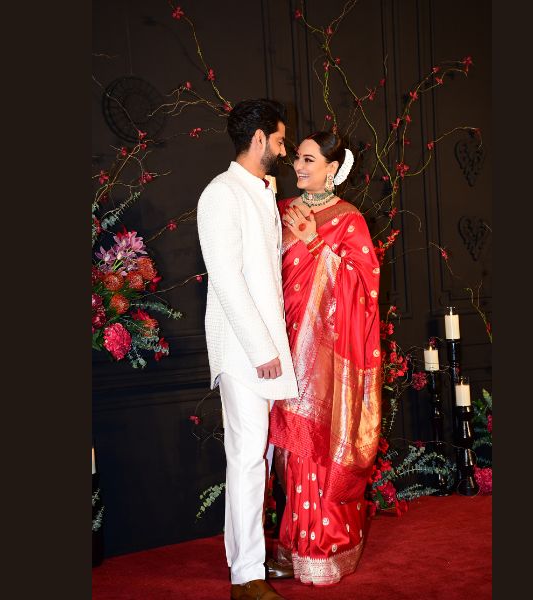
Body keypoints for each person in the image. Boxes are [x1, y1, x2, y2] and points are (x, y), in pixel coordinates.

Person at [269, 131, 383, 586]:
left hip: (326, 354)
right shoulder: (281, 210)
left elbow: (365, 289)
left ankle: (323, 546)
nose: (298, 166)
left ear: (332, 168)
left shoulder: (349, 219)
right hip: (281, 344)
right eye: (297, 158)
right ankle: (294, 544)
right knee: (290, 450)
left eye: (309, 160)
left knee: (316, 445)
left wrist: (316, 242)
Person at [197, 99, 298, 600]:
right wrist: (261, 349)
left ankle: (249, 561)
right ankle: (246, 578)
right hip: (242, 350)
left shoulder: (260, 191)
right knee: (247, 458)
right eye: (279, 139)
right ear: (258, 139)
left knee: (256, 456)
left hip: (265, 349)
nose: (284, 148)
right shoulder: (221, 193)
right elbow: (227, 279)